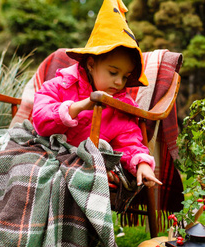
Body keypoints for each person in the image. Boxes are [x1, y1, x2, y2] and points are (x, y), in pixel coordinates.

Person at [32, 3, 161, 188]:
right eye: (113, 72)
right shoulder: (63, 84)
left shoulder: (120, 108)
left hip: (82, 166)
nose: (119, 82)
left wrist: (142, 164)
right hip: (44, 150)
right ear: (91, 64)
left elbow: (129, 142)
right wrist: (78, 106)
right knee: (23, 169)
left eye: (125, 77)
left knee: (79, 182)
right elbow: (40, 118)